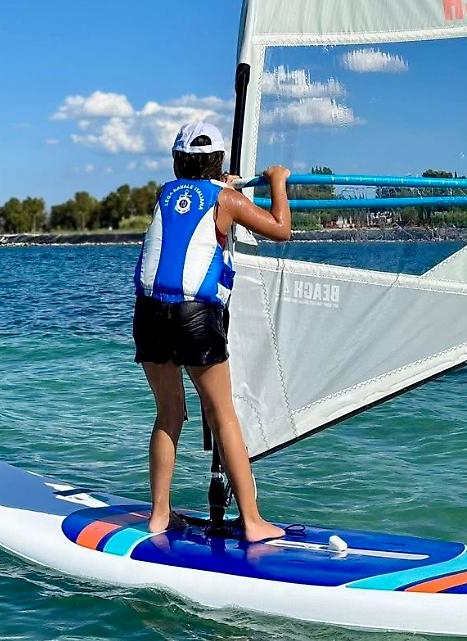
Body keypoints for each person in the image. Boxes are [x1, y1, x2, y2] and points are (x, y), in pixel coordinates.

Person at [133, 121, 291, 543]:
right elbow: (281, 229)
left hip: (149, 314)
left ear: (175, 160)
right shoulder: (227, 199)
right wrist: (277, 181)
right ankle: (253, 522)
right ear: (219, 163)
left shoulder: (161, 195)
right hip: (193, 317)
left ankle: (158, 516)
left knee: (169, 414)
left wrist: (221, 183)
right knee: (223, 416)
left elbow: (189, 200)